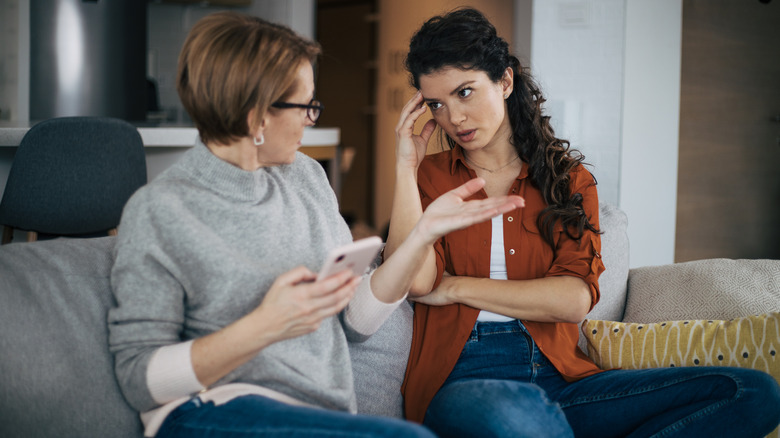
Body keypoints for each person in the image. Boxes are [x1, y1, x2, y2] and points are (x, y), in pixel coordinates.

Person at [108, 12, 524, 438]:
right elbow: (140, 379)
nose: (312, 118)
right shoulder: (161, 209)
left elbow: (357, 323)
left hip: (318, 413)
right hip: (210, 410)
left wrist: (422, 235)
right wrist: (265, 326)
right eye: (305, 105)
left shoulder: (306, 178)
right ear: (257, 116)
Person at [385, 7, 780, 438]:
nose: (453, 117)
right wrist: (406, 169)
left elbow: (573, 299)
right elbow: (417, 282)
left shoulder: (568, 179)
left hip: (562, 380)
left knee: (751, 390)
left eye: (465, 92)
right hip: (465, 382)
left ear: (504, 81)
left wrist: (457, 287)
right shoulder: (430, 176)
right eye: (438, 104)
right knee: (508, 419)